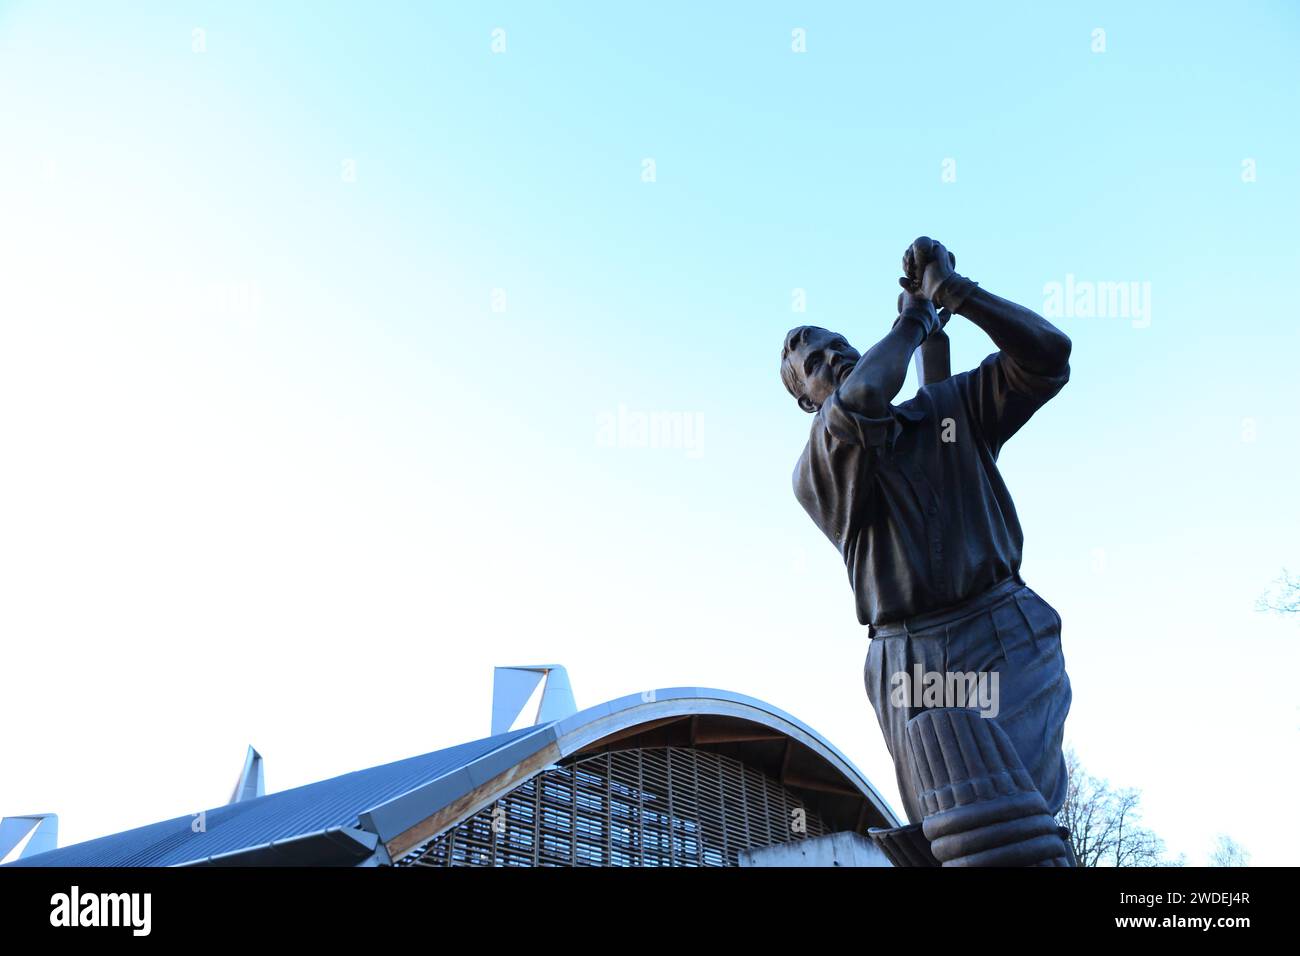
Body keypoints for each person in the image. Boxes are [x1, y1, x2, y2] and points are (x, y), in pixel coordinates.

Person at [781, 237, 1077, 866]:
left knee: (1010, 829)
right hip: (908, 657)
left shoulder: (948, 410)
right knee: (953, 845)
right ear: (808, 400)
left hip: (1001, 625)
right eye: (814, 363)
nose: (832, 358)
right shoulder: (819, 468)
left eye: (839, 346)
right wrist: (916, 319)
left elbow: (1049, 356)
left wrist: (955, 296)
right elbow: (861, 401)